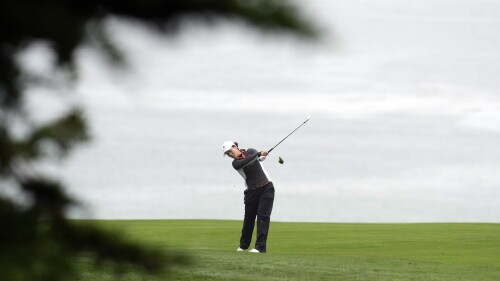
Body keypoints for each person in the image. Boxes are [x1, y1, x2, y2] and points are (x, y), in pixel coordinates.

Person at [222, 141, 275, 253]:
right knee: (249, 219)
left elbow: (258, 158)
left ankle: (260, 247)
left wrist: (262, 155)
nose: (230, 155)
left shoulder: (250, 151)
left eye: (230, 151)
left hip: (266, 188)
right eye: (228, 154)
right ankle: (243, 246)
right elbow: (247, 161)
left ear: (235, 146)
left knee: (263, 217)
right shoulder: (235, 163)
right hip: (251, 191)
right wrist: (258, 154)